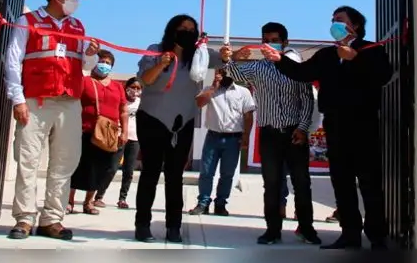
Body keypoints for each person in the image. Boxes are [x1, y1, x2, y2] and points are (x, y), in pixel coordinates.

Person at [262, 6, 395, 251]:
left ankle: (377, 237)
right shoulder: (326, 55)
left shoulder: (372, 50)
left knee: (370, 183)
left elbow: (384, 76)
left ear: (354, 24)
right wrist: (279, 60)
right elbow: (301, 73)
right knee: (342, 183)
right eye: (333, 20)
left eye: (340, 20)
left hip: (364, 125)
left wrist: (356, 59)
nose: (334, 23)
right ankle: (350, 235)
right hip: (335, 125)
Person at [4, 0, 99, 241]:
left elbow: (86, 64)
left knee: (65, 161)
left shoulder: (77, 26)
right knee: (28, 159)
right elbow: (13, 62)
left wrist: (91, 53)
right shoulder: (28, 21)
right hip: (36, 101)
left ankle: (52, 219)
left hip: (68, 102)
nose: (75, 1)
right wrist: (18, 99)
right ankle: (24, 219)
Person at [133, 14, 232, 243]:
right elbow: (145, 80)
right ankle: (142, 225)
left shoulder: (199, 56)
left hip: (183, 123)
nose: (187, 32)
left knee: (175, 176)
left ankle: (174, 227)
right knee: (150, 173)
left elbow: (225, 61)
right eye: (182, 28)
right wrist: (162, 63)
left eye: (191, 29)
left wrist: (229, 55)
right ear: (171, 30)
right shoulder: (155, 50)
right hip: (152, 120)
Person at [224, 22, 320, 246]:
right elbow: (233, 72)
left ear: (285, 42)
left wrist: (303, 128)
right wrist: (230, 57)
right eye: (265, 40)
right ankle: (272, 230)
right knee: (272, 184)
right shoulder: (258, 68)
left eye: (274, 40)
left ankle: (306, 228)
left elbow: (307, 100)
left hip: (294, 133)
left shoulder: (296, 65)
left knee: (302, 183)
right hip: (269, 134)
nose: (269, 44)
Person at [188, 68, 256, 216]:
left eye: (227, 72)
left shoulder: (243, 92)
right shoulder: (210, 89)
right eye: (221, 72)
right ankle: (203, 203)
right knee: (206, 172)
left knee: (227, 174)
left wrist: (246, 136)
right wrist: (213, 87)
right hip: (213, 136)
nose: (224, 75)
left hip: (233, 138)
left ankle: (221, 204)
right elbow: (199, 103)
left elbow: (248, 115)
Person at [68, 50, 129, 215]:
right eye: (102, 61)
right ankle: (69, 201)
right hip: (84, 130)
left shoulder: (117, 87)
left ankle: (89, 203)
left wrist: (124, 131)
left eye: (108, 63)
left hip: (107, 133)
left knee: (100, 168)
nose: (104, 65)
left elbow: (123, 110)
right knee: (78, 165)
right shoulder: (85, 81)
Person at [98, 77, 143, 209]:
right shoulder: (120, 100)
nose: (135, 90)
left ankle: (122, 199)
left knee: (129, 171)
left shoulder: (141, 103)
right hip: (119, 137)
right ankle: (99, 196)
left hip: (134, 139)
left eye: (138, 88)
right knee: (111, 168)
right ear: (126, 87)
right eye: (132, 87)